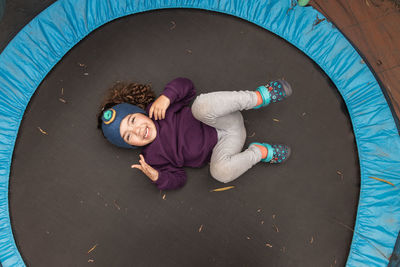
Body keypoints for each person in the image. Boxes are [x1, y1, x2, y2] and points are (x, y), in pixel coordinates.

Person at [97, 77, 292, 190]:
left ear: (139, 112)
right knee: (219, 173)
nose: (137, 130)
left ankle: (258, 97)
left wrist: (167, 96)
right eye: (129, 136)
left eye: (132, 120)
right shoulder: (152, 157)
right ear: (131, 145)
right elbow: (179, 179)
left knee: (199, 106)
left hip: (225, 119)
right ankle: (260, 152)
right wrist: (158, 177)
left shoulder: (157, 109)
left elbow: (188, 87)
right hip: (227, 145)